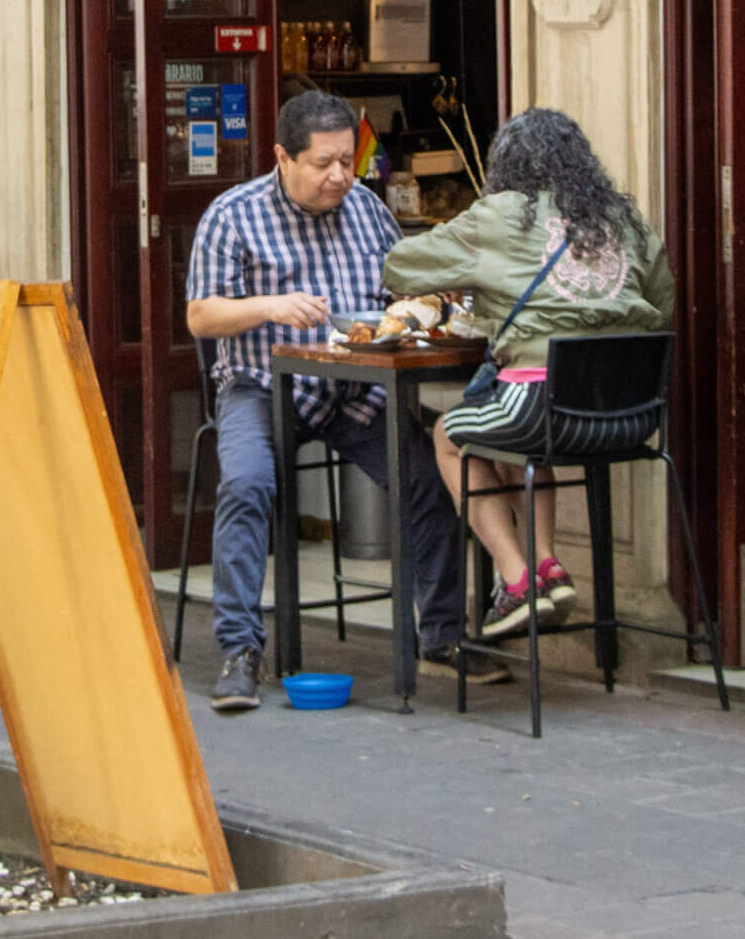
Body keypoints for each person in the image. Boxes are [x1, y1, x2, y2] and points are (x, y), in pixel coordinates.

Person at [185, 91, 466, 714]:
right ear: (282, 157)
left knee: (431, 475)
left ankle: (443, 637)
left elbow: (405, 284)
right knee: (247, 485)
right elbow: (201, 315)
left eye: (348, 160)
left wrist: (421, 304)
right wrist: (269, 306)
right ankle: (239, 651)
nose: (339, 176)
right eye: (323, 164)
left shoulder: (366, 209)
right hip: (260, 384)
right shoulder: (232, 215)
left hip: (352, 388)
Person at [384, 109, 675, 641]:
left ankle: (517, 583)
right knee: (508, 444)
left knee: (449, 436)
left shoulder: (500, 215)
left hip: (543, 409)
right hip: (631, 417)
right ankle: (546, 567)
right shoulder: (623, 219)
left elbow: (401, 265)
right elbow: (662, 302)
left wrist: (469, 273)